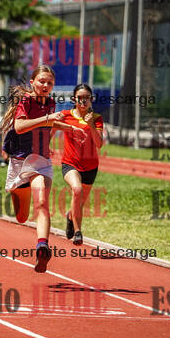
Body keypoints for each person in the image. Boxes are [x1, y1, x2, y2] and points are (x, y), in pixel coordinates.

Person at [2, 65, 84, 273]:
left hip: (40, 160)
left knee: (42, 202)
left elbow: (48, 125)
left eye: (50, 83)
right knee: (21, 217)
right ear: (33, 82)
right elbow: (20, 126)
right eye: (42, 81)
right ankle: (20, 191)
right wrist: (48, 118)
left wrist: (69, 128)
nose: (46, 85)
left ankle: (42, 247)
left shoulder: (50, 102)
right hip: (20, 162)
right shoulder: (26, 101)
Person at [57, 84, 104, 245]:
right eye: (80, 98)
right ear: (74, 99)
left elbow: (99, 144)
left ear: (91, 99)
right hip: (70, 163)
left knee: (79, 204)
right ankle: (78, 232)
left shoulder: (97, 118)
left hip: (90, 167)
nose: (83, 101)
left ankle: (70, 216)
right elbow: (51, 124)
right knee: (76, 190)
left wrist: (90, 124)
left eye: (87, 98)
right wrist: (46, 145)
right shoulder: (65, 115)